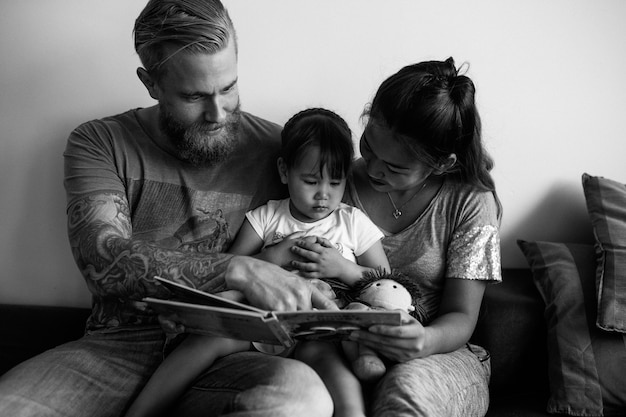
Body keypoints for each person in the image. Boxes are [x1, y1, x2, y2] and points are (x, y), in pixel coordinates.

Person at [0, 1, 337, 416]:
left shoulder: (282, 152)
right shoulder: (101, 142)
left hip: (231, 353)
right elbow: (100, 254)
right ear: (150, 83)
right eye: (194, 96)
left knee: (302, 399)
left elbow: (349, 216)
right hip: (117, 348)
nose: (218, 113)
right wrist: (239, 269)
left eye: (228, 87)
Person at [125, 107, 391, 417]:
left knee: (347, 393)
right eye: (310, 181)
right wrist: (271, 257)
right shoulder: (268, 216)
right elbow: (229, 267)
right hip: (261, 325)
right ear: (283, 171)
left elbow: (385, 280)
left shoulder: (352, 222)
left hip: (321, 336)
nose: (323, 195)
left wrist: (343, 268)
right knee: (202, 343)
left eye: (335, 183)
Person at [291, 58, 502, 416]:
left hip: (438, 351)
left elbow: (461, 317)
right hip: (343, 343)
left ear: (442, 164)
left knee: (406, 395)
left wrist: (423, 341)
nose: (371, 169)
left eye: (395, 168)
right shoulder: (334, 183)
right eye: (369, 147)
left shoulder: (470, 202)